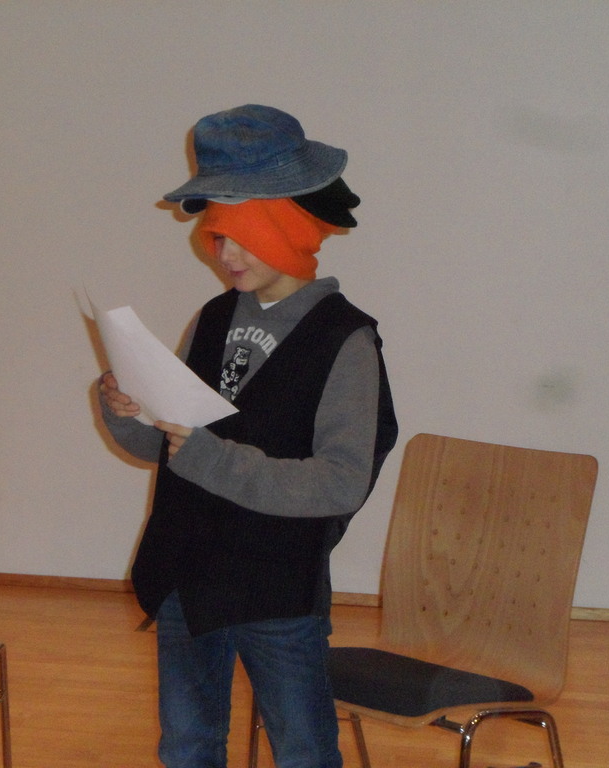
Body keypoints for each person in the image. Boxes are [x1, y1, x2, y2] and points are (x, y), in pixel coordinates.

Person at [98, 104, 398, 768]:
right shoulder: (213, 319)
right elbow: (170, 448)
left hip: (276, 589)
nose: (224, 254)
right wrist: (128, 412)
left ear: (288, 224)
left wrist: (214, 460)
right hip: (188, 575)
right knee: (187, 744)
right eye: (216, 236)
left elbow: (341, 480)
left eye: (240, 236)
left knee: (302, 749)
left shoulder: (344, 340)